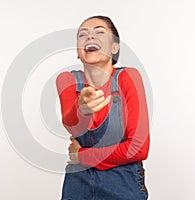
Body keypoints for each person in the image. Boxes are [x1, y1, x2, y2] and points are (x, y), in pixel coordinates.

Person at [56, 15, 150, 200]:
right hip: (77, 184)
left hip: (122, 182)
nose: (90, 37)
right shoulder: (67, 80)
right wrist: (81, 110)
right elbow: (70, 123)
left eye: (100, 32)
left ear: (114, 47)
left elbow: (138, 148)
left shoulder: (128, 77)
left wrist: (82, 156)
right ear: (78, 51)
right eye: (83, 35)